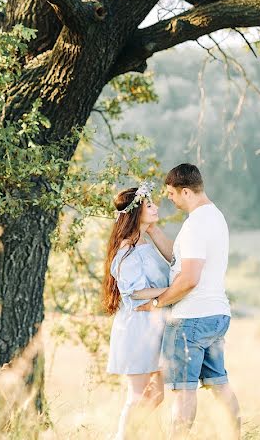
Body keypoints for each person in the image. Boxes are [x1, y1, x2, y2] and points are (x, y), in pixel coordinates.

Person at [135, 163, 241, 439]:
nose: (168, 198)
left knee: (183, 391)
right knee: (220, 385)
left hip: (191, 320)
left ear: (185, 192)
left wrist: (159, 302)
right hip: (216, 315)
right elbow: (181, 261)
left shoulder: (196, 225)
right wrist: (152, 231)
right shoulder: (214, 217)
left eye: (171, 193)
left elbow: (189, 278)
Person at [102, 181, 175, 440]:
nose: (155, 207)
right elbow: (134, 292)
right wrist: (171, 292)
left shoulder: (144, 240)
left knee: (157, 394)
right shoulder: (126, 248)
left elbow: (174, 259)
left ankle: (132, 434)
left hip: (154, 324)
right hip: (138, 327)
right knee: (137, 395)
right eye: (149, 205)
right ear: (136, 212)